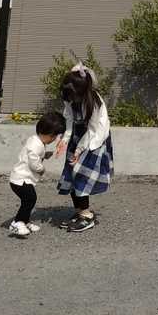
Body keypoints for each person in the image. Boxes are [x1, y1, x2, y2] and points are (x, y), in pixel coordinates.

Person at [56, 62, 114, 233]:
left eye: (72, 95)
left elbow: (94, 131)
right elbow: (69, 118)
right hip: (77, 137)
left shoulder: (94, 102)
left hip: (93, 141)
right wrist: (65, 139)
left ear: (82, 91)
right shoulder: (70, 97)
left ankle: (87, 216)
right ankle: (80, 212)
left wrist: (79, 150)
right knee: (70, 176)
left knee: (80, 175)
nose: (70, 99)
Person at [7, 111, 66, 238]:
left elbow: (35, 154)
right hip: (20, 179)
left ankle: (25, 221)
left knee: (29, 200)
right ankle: (17, 222)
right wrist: (41, 169)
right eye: (54, 137)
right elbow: (33, 161)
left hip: (22, 179)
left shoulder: (36, 140)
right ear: (50, 134)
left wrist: (45, 155)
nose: (54, 140)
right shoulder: (36, 145)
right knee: (30, 199)